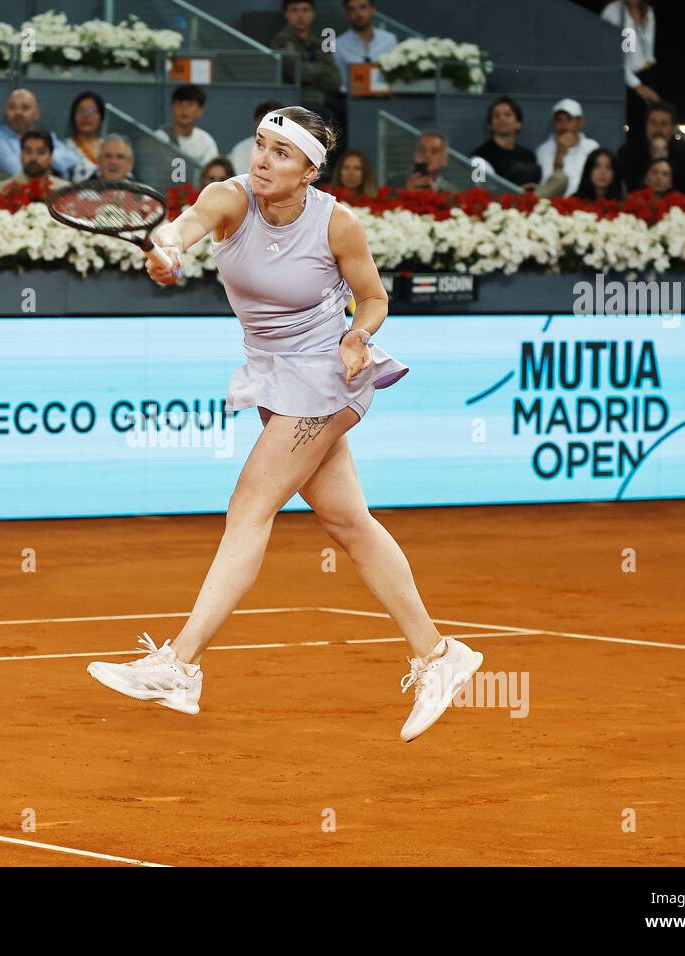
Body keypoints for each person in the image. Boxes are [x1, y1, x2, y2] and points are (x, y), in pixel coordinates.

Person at [85, 105, 482, 743]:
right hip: (272, 378)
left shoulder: (338, 224)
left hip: (328, 377)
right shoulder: (229, 199)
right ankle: (439, 655)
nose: (263, 161)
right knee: (348, 522)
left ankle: (179, 665)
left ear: (308, 171)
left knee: (248, 506)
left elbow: (374, 297)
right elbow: (184, 229)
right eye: (261, 146)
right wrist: (166, 251)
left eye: (281, 154)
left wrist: (358, 334)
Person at [0, 89, 80, 180]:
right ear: (6, 112)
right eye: (12, 107)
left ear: (36, 114)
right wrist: (44, 156)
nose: (18, 112)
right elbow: (18, 170)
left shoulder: (44, 135)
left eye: (25, 108)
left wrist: (37, 160)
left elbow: (73, 159)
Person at [271, 1, 343, 120]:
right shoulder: (281, 40)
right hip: (297, 98)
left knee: (348, 108)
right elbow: (300, 73)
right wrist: (322, 70)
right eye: (294, 10)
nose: (300, 15)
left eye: (305, 10)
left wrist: (311, 74)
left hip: (324, 97)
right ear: (286, 14)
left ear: (313, 13)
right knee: (325, 116)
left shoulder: (321, 41)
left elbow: (336, 80)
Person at [617, 101, 685, 196]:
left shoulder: (684, 151)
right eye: (653, 123)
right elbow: (629, 187)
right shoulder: (629, 150)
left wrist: (664, 157)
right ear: (646, 125)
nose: (658, 129)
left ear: (673, 128)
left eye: (664, 124)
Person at [601, 0, 658, 137]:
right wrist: (637, 85)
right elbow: (612, 56)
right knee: (632, 122)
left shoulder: (647, 11)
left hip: (645, 72)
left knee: (649, 118)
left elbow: (647, 48)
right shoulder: (612, 11)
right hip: (624, 76)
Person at [535, 98, 599, 198]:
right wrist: (559, 153)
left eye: (568, 119)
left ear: (580, 122)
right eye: (558, 119)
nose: (563, 124)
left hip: (585, 203)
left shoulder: (592, 147)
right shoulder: (543, 150)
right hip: (554, 205)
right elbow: (546, 187)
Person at [333, 0, 399, 94]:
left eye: (363, 7)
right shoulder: (338, 45)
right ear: (347, 13)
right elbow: (341, 84)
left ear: (373, 9)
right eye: (352, 9)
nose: (358, 13)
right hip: (351, 101)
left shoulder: (389, 40)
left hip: (389, 97)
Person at [471, 96, 538, 187]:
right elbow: (477, 188)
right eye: (496, 115)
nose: (502, 119)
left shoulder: (528, 156)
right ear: (491, 125)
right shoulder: (479, 155)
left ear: (518, 124)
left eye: (507, 115)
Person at [0, 129, 71, 199]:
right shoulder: (0, 190)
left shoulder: (65, 192)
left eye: (41, 152)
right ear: (21, 155)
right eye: (28, 151)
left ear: (51, 156)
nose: (33, 157)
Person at [154, 84, 220, 168]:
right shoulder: (160, 138)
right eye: (179, 104)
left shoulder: (206, 142)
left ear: (200, 110)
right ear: (172, 108)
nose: (184, 109)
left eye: (190, 104)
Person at [228, 100, 284, 176]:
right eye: (265, 120)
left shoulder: (289, 149)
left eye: (275, 121)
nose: (270, 125)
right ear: (256, 121)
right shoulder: (240, 150)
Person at [66, 91, 106, 182]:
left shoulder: (109, 148)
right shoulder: (64, 148)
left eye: (91, 110)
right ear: (73, 116)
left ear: (101, 117)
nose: (86, 115)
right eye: (81, 110)